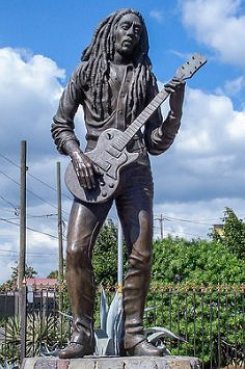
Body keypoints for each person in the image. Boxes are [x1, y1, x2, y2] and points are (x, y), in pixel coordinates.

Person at [51, 8, 185, 359]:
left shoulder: (146, 78)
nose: (132, 33)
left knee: (141, 253)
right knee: (76, 251)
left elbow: (156, 143)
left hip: (136, 169)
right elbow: (60, 124)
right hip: (93, 170)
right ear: (110, 31)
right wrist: (78, 156)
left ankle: (133, 336)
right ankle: (81, 335)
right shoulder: (85, 73)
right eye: (126, 27)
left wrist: (176, 112)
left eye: (138, 29)